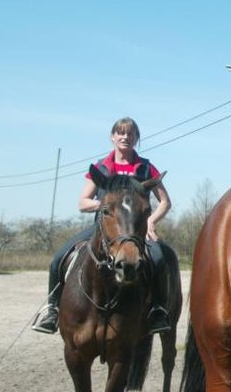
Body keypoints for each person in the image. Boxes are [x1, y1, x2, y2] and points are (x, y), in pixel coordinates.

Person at [32, 117, 173, 334]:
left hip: (136, 230)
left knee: (159, 258)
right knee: (58, 258)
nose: (125, 137)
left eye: (130, 134)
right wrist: (108, 207)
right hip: (104, 229)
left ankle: (157, 310)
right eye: (121, 133)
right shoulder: (102, 168)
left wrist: (151, 221)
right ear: (113, 137)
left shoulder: (146, 168)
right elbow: (83, 202)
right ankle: (51, 309)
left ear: (136, 138)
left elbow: (165, 202)